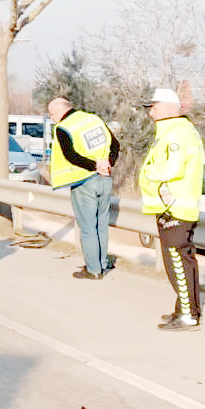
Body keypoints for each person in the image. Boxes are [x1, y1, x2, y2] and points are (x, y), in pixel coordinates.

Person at [138, 87, 205, 331]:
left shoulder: (177, 134)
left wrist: (146, 174)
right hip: (172, 205)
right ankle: (185, 309)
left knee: (177, 259)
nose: (150, 113)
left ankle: (188, 315)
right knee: (178, 259)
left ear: (167, 107)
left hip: (175, 206)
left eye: (152, 107)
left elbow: (172, 169)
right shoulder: (175, 131)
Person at [47, 96, 121, 280]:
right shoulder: (94, 119)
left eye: (51, 114)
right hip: (105, 179)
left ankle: (93, 269)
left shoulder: (63, 128)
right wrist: (107, 164)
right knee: (101, 225)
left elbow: (71, 156)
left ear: (57, 112)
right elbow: (115, 145)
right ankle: (102, 263)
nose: (51, 118)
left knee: (87, 227)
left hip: (83, 181)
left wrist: (94, 166)